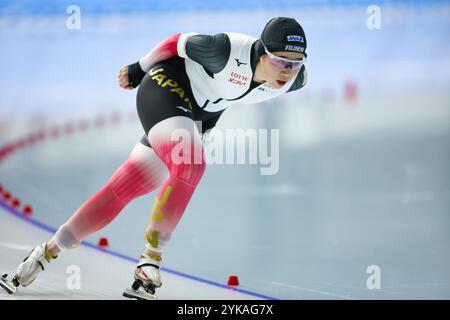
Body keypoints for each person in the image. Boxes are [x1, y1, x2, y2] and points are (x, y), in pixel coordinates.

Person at [1, 17, 308, 300]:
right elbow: (176, 42)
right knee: (190, 163)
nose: (286, 71)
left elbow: (282, 76)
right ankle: (151, 260)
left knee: (123, 188)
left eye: (295, 64)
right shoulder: (226, 50)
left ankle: (45, 253)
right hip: (166, 87)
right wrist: (139, 66)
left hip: (195, 116)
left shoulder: (296, 79)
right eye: (281, 61)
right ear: (261, 52)